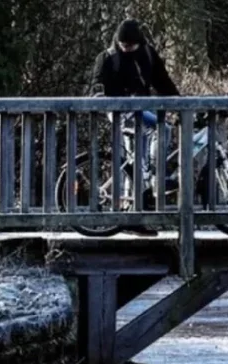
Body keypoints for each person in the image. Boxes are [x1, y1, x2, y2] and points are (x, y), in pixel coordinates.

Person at [89, 19, 180, 236]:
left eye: (130, 45)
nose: (126, 48)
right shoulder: (108, 58)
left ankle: (138, 204)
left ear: (139, 42)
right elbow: (96, 85)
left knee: (140, 158)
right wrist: (102, 98)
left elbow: (162, 81)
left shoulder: (148, 55)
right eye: (123, 44)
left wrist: (179, 103)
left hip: (142, 109)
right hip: (120, 111)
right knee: (155, 135)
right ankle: (151, 180)